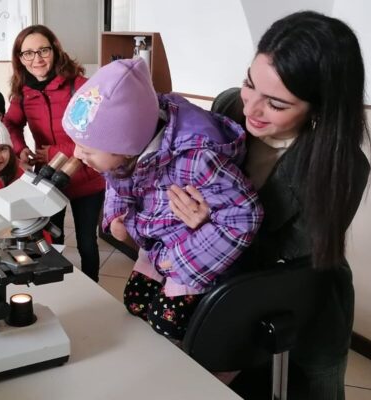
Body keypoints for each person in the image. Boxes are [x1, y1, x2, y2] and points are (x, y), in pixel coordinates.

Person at [174, 11, 371, 399]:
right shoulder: (229, 105)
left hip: (297, 300)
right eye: (250, 83)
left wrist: (210, 226)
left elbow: (284, 261)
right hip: (218, 291)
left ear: (321, 108)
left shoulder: (340, 165)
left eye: (277, 104)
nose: (251, 109)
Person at [63, 58, 262, 339]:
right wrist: (115, 214)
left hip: (192, 253)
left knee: (166, 322)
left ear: (126, 146)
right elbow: (117, 176)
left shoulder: (196, 158)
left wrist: (177, 261)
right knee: (135, 300)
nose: (76, 155)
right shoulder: (131, 142)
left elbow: (244, 216)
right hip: (157, 242)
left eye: (87, 149)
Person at [4, 25, 106, 282]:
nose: (36, 59)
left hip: (88, 177)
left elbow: (99, 133)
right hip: (49, 178)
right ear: (19, 58)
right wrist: (20, 149)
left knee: (86, 241)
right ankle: (58, 285)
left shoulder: (80, 86)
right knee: (52, 236)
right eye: (27, 53)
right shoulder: (22, 92)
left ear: (55, 50)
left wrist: (53, 151)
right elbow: (10, 124)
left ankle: (92, 289)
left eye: (43, 50)